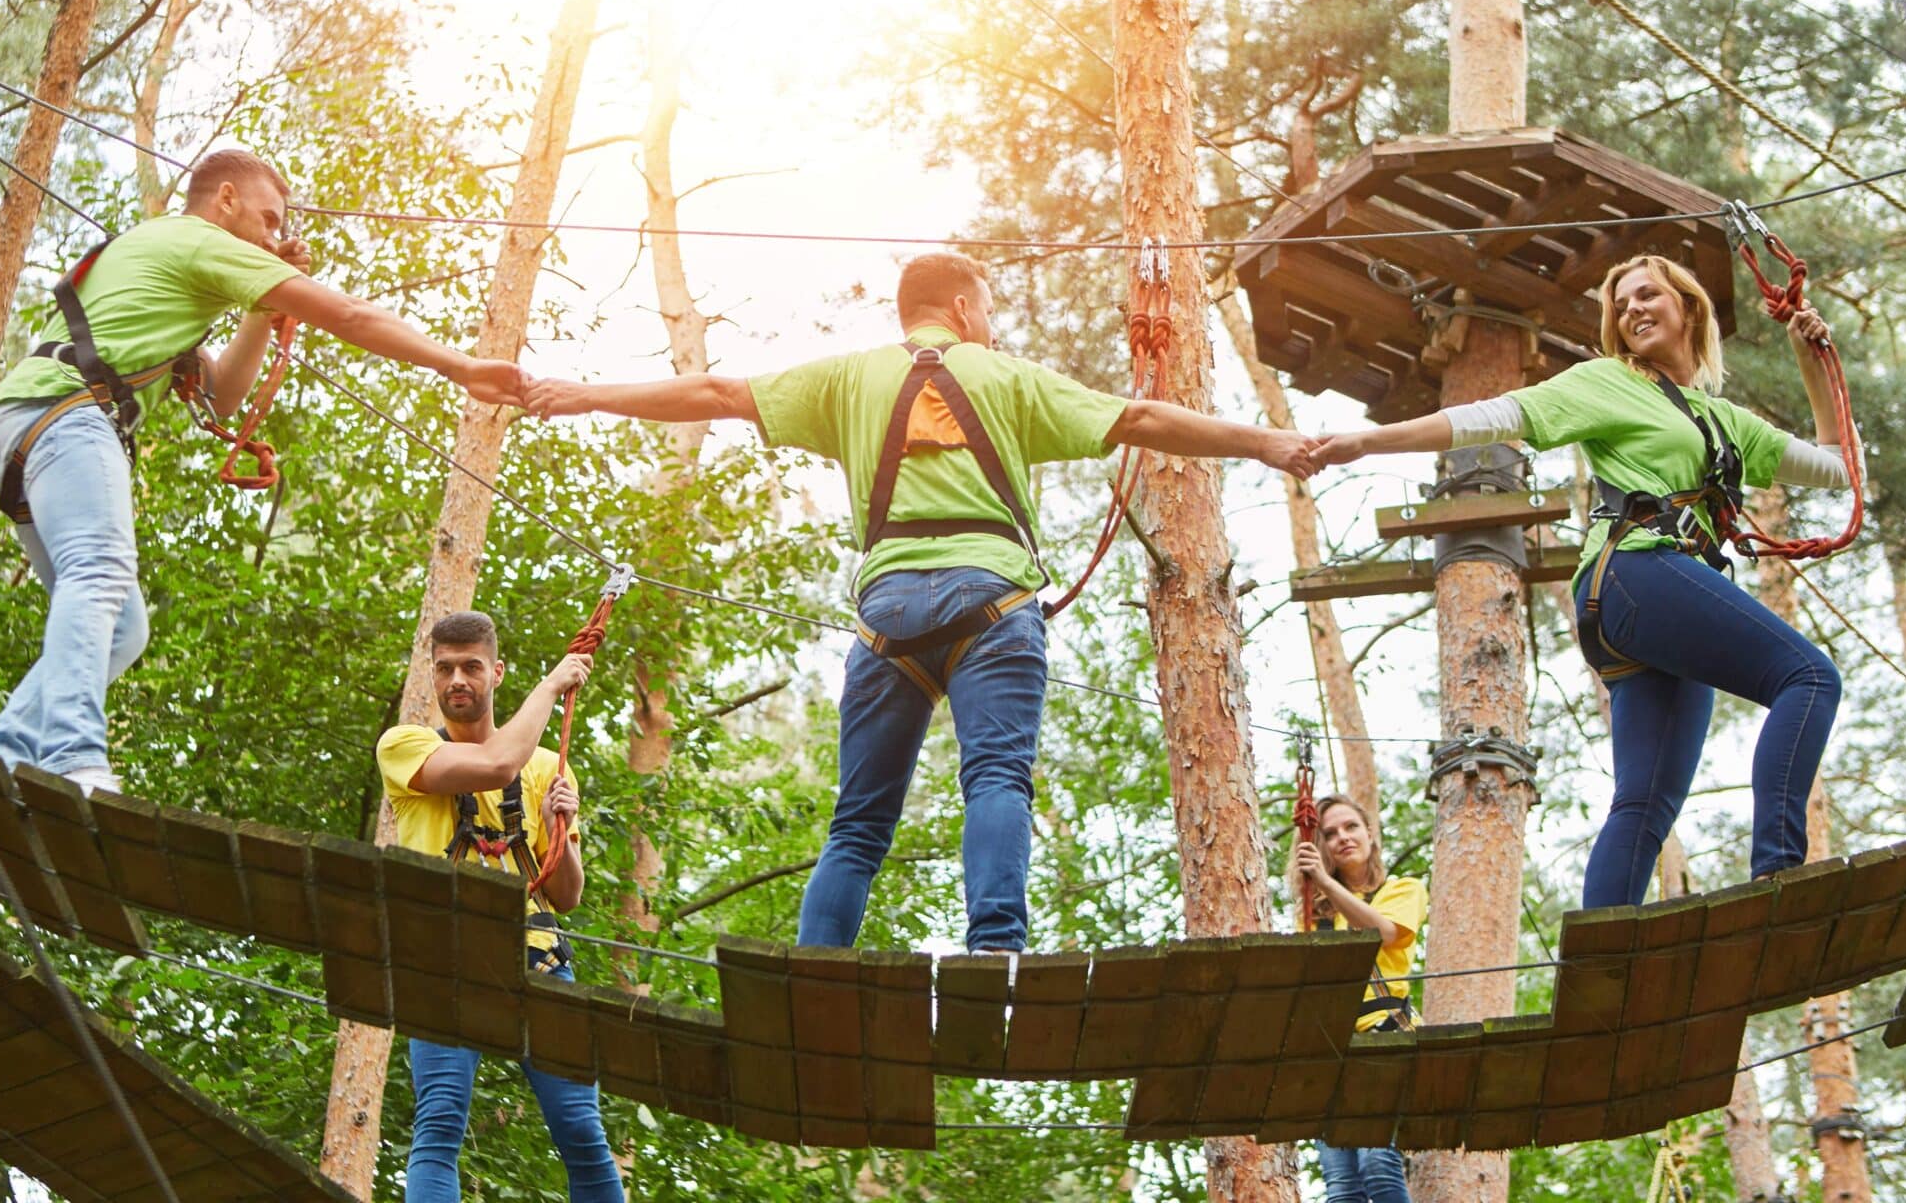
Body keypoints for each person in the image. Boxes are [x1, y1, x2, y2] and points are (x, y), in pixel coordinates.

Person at [528, 251, 1318, 952]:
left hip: (886, 616)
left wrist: (586, 394)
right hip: (993, 603)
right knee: (998, 778)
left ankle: (814, 971)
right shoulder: (1006, 375)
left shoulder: (847, 378)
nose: (994, 328)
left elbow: (716, 390)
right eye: (990, 313)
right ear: (966, 308)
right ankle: (995, 953)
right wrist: (1267, 444)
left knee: (859, 824)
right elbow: (1141, 417)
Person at [1309, 253, 1850, 908]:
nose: (1632, 312)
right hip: (1637, 574)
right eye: (1621, 307)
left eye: (1648, 296)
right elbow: (1497, 417)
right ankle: (1778, 873)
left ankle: (1601, 969)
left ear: (1689, 308)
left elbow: (1837, 467)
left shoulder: (1725, 422)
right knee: (1809, 677)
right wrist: (1371, 442)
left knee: (1645, 801)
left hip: (1646, 604)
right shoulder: (1609, 383)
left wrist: (1811, 359)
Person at [0, 150, 524, 791]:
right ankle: (71, 755)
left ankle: (6, 749)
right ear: (225, 199)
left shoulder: (166, 261)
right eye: (268, 220)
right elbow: (348, 315)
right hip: (66, 415)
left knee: (123, 626)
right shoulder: (199, 238)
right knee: (98, 571)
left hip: (26, 423)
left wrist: (261, 311)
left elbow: (225, 394)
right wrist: (458, 366)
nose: (274, 237)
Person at [376, 611, 622, 1203]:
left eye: (471, 667)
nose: (457, 679)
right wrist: (552, 684)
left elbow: (566, 895)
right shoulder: (404, 747)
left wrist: (554, 825)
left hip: (537, 960)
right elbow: (494, 765)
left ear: (495, 672)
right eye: (445, 669)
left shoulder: (546, 769)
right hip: (443, 963)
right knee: (438, 1126)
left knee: (583, 1133)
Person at [1292, 793, 1424, 1203]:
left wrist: (1327, 884)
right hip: (1331, 1049)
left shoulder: (1403, 889)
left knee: (1377, 1164)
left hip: (1385, 1037)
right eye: (1329, 834)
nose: (1342, 838)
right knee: (1342, 1184)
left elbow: (1384, 932)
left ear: (1370, 833)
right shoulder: (1316, 918)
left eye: (1351, 827)